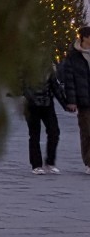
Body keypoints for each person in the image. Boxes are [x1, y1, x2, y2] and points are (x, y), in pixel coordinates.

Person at [59, 25, 90, 172]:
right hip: (84, 101)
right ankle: (89, 162)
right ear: (84, 37)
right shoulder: (73, 56)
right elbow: (69, 80)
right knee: (87, 131)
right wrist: (71, 101)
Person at [23, 62, 61, 174]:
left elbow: (55, 87)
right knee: (34, 134)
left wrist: (66, 104)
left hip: (47, 104)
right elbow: (21, 86)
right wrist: (30, 98)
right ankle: (36, 165)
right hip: (31, 105)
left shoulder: (48, 67)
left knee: (54, 132)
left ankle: (50, 162)